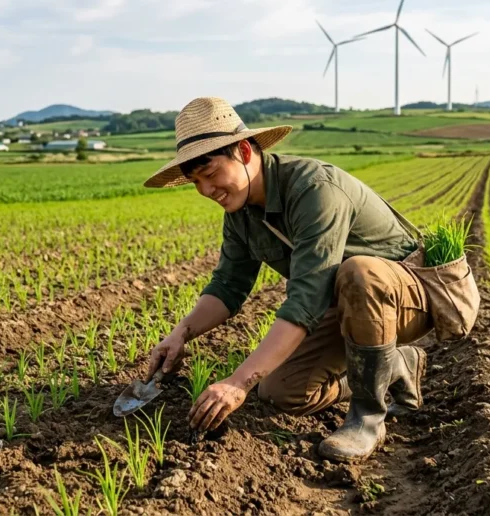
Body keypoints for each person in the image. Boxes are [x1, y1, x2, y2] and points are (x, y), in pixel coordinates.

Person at [142, 96, 431, 462]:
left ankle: (367, 416)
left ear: (244, 151)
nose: (206, 190)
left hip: (408, 296)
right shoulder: (241, 212)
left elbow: (306, 299)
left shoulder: (313, 189)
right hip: (344, 304)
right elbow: (228, 286)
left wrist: (236, 382)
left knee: (360, 271)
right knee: (282, 391)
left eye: (211, 174)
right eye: (195, 181)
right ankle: (393, 365)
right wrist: (180, 333)